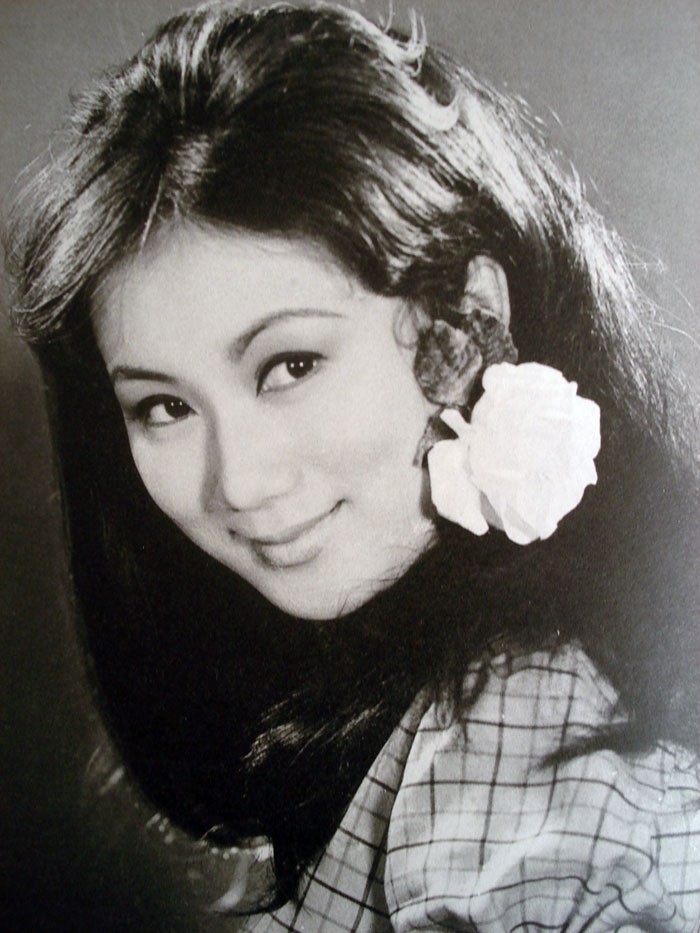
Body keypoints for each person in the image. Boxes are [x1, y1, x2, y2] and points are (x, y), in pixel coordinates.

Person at [5, 1, 700, 929]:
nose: (237, 482)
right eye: (164, 406)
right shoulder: (413, 700)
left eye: (290, 365)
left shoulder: (528, 758)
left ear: (467, 324)